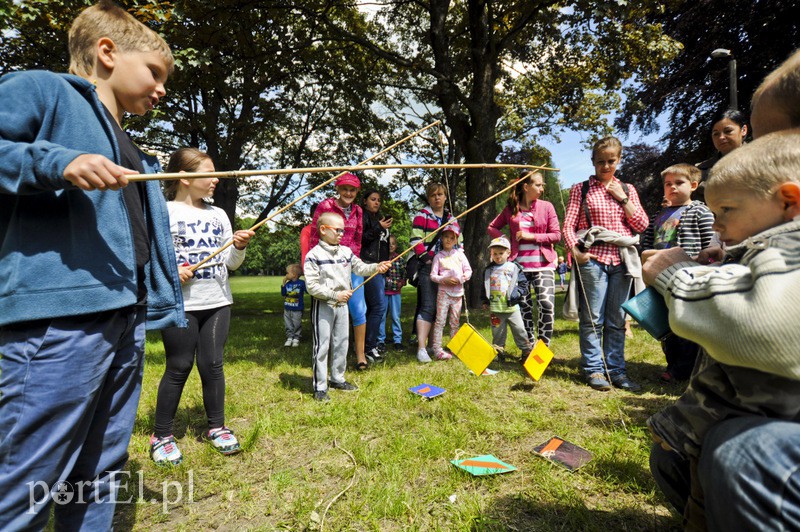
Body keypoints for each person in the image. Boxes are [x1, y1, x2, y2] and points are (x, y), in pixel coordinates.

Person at [0, 2, 183, 528]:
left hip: (123, 319)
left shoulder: (131, 147)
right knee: (26, 479)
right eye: (155, 72)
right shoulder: (44, 90)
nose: (161, 88)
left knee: (100, 469)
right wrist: (57, 161)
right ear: (107, 52)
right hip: (57, 323)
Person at [644, 130, 800, 530]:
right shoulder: (767, 244)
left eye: (726, 211)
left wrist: (674, 276)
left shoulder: (786, 248)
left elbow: (764, 324)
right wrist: (728, 253)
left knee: (733, 461)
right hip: (724, 422)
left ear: (789, 201)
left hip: (751, 431)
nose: (718, 225)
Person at [150, 148, 254, 465]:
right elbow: (153, 258)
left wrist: (239, 247)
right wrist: (172, 273)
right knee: (179, 365)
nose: (215, 179)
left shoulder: (218, 215)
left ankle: (216, 427)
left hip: (217, 301)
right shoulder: (164, 212)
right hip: (181, 303)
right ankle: (162, 436)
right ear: (184, 177)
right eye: (208, 173)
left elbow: (230, 264)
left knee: (212, 365)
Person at [562, 136, 649, 391]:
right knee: (592, 318)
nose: (606, 166)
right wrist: (575, 251)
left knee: (617, 319)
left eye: (611, 161)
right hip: (594, 259)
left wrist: (622, 198)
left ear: (619, 160)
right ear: (593, 162)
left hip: (622, 261)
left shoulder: (628, 189)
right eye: (600, 162)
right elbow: (568, 225)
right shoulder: (582, 189)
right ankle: (593, 369)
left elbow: (642, 225)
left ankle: (616, 370)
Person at [304, 212, 390, 401]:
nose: (342, 233)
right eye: (338, 230)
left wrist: (377, 266)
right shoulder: (313, 256)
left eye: (343, 230)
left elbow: (361, 268)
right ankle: (320, 386)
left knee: (342, 342)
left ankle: (337, 378)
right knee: (322, 345)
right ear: (323, 230)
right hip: (324, 305)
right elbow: (312, 286)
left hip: (343, 306)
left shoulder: (346, 252)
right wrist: (335, 294)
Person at [641, 163, 714, 383]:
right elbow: (645, 245)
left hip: (687, 277)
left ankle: (686, 368)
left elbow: (711, 244)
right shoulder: (658, 216)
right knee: (668, 325)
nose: (672, 187)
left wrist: (702, 262)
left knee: (687, 324)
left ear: (693, 185)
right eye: (667, 184)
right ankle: (673, 365)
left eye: (679, 183)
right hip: (660, 276)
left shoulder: (700, 211)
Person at [487, 171, 561, 346]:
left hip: (544, 264)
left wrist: (531, 237)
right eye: (538, 184)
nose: (542, 188)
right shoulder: (511, 210)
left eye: (542, 185)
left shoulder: (547, 207)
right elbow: (492, 227)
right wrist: (506, 240)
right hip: (518, 267)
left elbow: (556, 235)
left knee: (546, 304)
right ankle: (529, 346)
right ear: (526, 187)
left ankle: (543, 347)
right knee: (524, 308)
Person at [309, 174, 369, 369]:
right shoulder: (325, 206)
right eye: (344, 189)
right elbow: (313, 234)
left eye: (352, 190)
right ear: (337, 189)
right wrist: (314, 264)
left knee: (358, 309)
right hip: (326, 263)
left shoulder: (358, 211)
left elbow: (358, 239)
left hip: (349, 262)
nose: (348, 193)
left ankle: (360, 354)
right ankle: (323, 356)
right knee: (328, 305)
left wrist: (353, 261)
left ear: (357, 192)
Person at [409, 182, 460, 363]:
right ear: (429, 198)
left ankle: (433, 345)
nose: (437, 198)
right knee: (428, 306)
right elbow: (416, 240)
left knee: (442, 309)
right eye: (433, 195)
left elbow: (458, 244)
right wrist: (428, 259)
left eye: (440, 194)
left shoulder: (452, 219)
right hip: (429, 267)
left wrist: (459, 265)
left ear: (445, 197)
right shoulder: (422, 216)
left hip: (448, 270)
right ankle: (421, 348)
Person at [481, 237, 531, 359]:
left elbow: (524, 283)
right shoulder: (489, 270)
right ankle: (499, 351)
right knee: (497, 332)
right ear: (491, 254)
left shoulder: (513, 268)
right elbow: (484, 286)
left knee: (519, 330)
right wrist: (485, 300)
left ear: (508, 253)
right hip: (496, 309)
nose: (498, 256)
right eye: (495, 254)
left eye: (501, 253)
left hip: (512, 307)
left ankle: (526, 351)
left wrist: (517, 294)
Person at [429, 226, 472, 361]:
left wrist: (460, 279)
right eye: (446, 237)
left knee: (455, 322)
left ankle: (454, 347)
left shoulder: (460, 254)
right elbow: (433, 275)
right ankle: (437, 349)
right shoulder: (438, 257)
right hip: (443, 293)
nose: (448, 240)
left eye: (452, 238)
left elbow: (468, 271)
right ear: (441, 238)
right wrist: (444, 279)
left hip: (458, 294)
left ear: (456, 240)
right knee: (440, 321)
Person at [361, 189, 391, 363]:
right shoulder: (363, 217)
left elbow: (384, 246)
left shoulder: (378, 219)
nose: (377, 202)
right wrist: (379, 227)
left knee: (375, 308)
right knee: (378, 306)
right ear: (365, 201)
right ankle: (369, 347)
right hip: (367, 266)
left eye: (379, 200)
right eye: (373, 199)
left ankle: (369, 345)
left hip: (380, 268)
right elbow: (362, 240)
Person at [379, 234, 406, 350]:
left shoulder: (399, 259)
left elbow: (404, 273)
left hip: (395, 292)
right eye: (388, 244)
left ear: (396, 246)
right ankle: (380, 339)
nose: (391, 246)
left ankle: (397, 340)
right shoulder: (381, 259)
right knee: (382, 316)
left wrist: (402, 282)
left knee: (395, 316)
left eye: (393, 244)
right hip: (383, 292)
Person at [281, 263, 306, 347]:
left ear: (294, 274)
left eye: (288, 273)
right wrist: (283, 283)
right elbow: (283, 293)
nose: (286, 275)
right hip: (287, 307)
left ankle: (296, 337)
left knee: (297, 323)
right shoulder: (288, 284)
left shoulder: (302, 283)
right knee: (288, 323)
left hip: (297, 308)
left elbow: (308, 290)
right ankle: (290, 337)